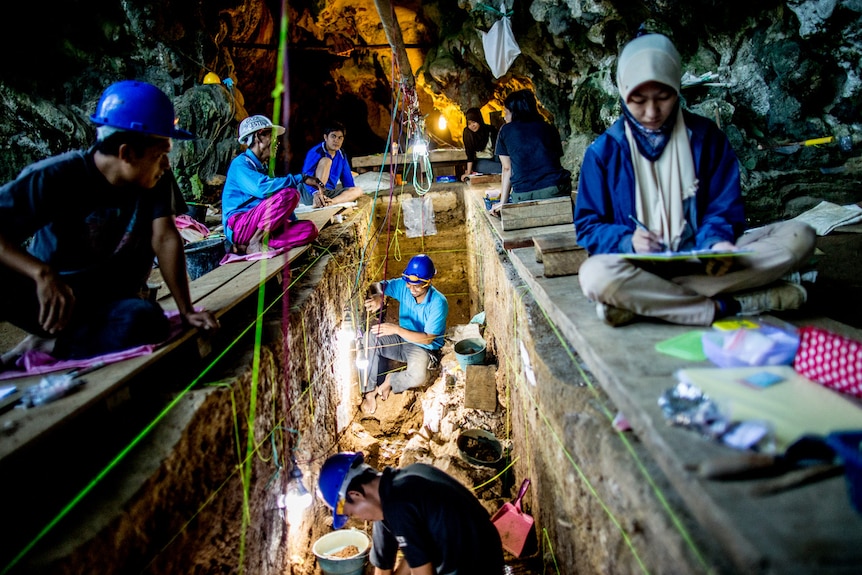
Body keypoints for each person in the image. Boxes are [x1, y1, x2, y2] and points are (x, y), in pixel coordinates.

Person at [574, 32, 816, 327]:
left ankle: (646, 302)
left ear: (677, 89)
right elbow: (588, 227)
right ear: (624, 93)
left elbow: (723, 208)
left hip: (705, 264)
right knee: (595, 275)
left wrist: (716, 243)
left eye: (663, 97)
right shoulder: (603, 153)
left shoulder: (707, 139)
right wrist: (628, 241)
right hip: (641, 265)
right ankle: (731, 304)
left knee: (800, 235)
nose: (652, 112)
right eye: (638, 100)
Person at [0, 80, 219, 365]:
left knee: (148, 322)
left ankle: (51, 344)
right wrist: (42, 273)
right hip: (51, 301)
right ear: (126, 153)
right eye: (160, 154)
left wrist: (186, 309)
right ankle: (55, 337)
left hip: (107, 305)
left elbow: (165, 238)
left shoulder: (156, 178)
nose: (166, 164)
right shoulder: (55, 177)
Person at [317, 451, 504, 575]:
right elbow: (385, 566)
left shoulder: (400, 502)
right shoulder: (386, 494)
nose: (360, 519)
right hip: (452, 548)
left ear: (355, 495)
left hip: (479, 561)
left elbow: (424, 571)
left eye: (353, 513)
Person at [360, 254, 448, 415]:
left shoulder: (438, 303)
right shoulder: (403, 286)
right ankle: (369, 391)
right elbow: (375, 286)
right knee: (369, 338)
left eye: (418, 285)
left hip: (423, 348)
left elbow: (428, 339)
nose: (412, 289)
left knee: (418, 376)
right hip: (401, 341)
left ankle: (391, 380)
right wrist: (379, 297)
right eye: (409, 283)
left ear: (429, 282)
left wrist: (396, 329)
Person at [222, 115, 321, 254]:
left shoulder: (265, 167)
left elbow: (277, 202)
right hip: (240, 225)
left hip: (259, 224)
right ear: (259, 136)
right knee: (290, 194)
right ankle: (255, 241)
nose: (277, 142)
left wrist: (292, 222)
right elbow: (262, 189)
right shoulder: (240, 164)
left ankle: (248, 246)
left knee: (309, 229)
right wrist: (300, 178)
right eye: (273, 136)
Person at [489, 89, 572, 216]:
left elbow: (507, 168)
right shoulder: (549, 128)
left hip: (524, 194)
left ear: (515, 112)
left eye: (506, 112)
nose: (504, 117)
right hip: (554, 190)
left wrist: (503, 203)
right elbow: (555, 160)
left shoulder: (506, 131)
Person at [300, 121, 364, 208]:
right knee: (327, 161)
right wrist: (315, 193)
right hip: (310, 192)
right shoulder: (316, 151)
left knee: (358, 190)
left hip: (328, 193)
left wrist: (350, 194)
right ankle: (319, 198)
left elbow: (348, 182)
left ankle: (330, 202)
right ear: (325, 137)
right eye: (333, 136)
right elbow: (305, 177)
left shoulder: (342, 155)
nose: (336, 141)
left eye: (340, 138)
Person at [459, 107, 502, 182]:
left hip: (494, 157)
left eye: (474, 122)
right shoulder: (468, 133)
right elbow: (470, 154)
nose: (472, 125)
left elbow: (499, 148)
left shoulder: (490, 130)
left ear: (479, 120)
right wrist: (468, 172)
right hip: (481, 161)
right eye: (469, 123)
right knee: (502, 168)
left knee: (506, 163)